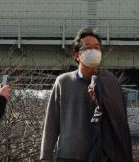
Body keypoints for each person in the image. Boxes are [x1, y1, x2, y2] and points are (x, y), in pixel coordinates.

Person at [41, 27, 133, 162]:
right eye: (88, 47)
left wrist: (99, 100)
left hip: (102, 154)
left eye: (97, 47)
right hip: (69, 155)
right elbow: (52, 121)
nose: (93, 51)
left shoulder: (110, 81)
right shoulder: (63, 81)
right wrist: (46, 154)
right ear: (77, 55)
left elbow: (119, 119)